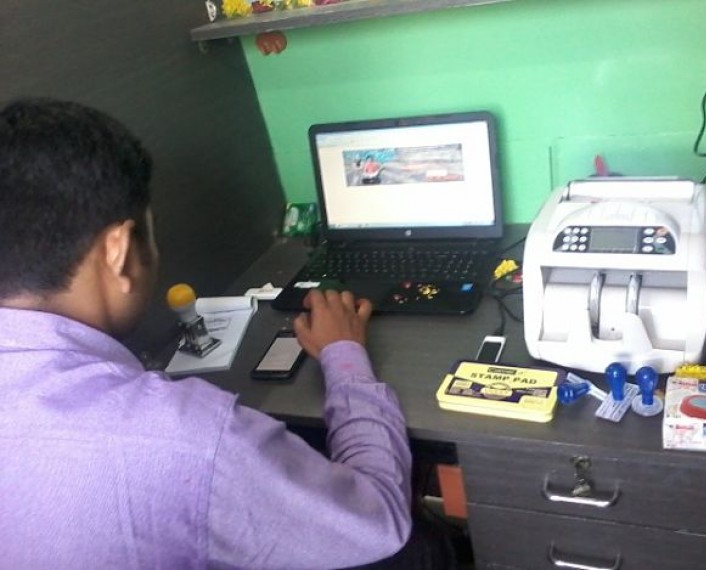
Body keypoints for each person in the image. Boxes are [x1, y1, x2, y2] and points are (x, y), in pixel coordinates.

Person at [0, 98, 455, 569]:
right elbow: (377, 521)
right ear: (119, 251)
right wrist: (345, 355)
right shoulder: (186, 440)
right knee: (421, 548)